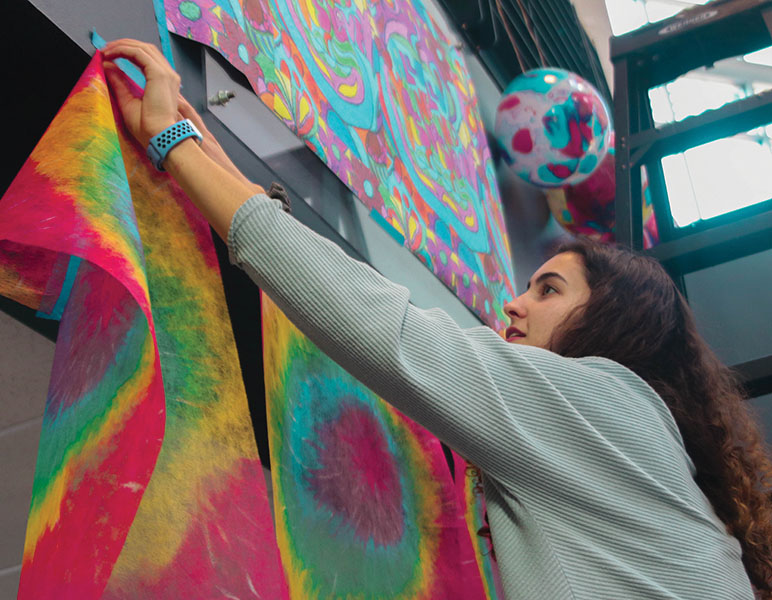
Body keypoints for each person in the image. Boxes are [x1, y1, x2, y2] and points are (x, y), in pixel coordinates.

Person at [101, 39, 772, 599]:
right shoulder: (630, 453)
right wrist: (199, 144)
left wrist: (176, 141)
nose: (514, 303)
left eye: (547, 290)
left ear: (617, 325)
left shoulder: (605, 402)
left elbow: (385, 331)